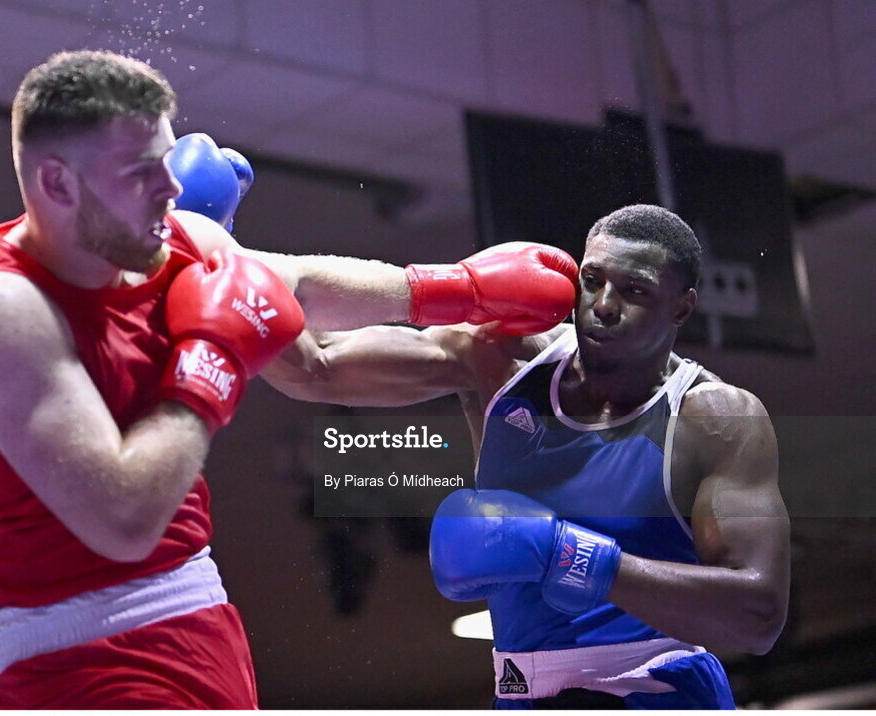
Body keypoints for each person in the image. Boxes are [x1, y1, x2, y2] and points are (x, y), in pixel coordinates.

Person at [0, 50, 579, 709]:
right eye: (142, 170)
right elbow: (123, 519)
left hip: (202, 619)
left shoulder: (163, 238)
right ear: (59, 184)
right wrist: (210, 361)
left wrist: (459, 297)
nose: (172, 187)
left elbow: (300, 310)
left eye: (168, 157)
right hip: (78, 661)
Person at [267, 204, 790, 709]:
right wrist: (235, 269)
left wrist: (573, 557)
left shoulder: (714, 417)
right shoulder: (503, 360)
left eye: (634, 290)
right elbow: (316, 363)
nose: (604, 304)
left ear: (682, 306)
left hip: (657, 690)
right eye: (592, 280)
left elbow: (758, 616)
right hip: (520, 694)